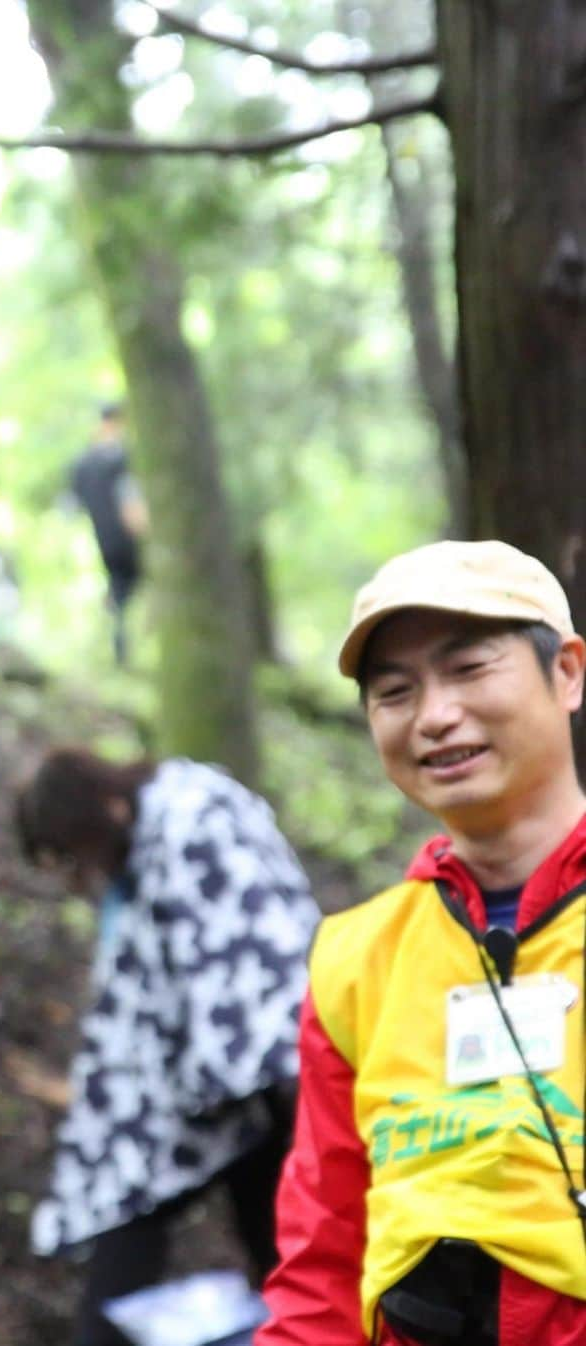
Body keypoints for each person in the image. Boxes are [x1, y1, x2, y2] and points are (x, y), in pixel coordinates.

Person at [257, 540, 586, 1346]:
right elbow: (322, 1256)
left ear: (568, 672)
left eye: (470, 669)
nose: (435, 715)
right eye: (394, 692)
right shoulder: (356, 957)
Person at [16, 748, 320, 1346]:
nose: (84, 874)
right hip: (200, 1090)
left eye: (77, 855)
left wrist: (266, 1083)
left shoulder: (193, 820)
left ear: (106, 808)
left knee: (282, 1247)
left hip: (266, 1084)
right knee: (262, 1241)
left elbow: (249, 964)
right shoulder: (151, 838)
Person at [69, 402, 147, 666]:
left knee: (118, 593)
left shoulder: (83, 462)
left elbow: (73, 504)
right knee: (130, 590)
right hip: (126, 538)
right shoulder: (120, 458)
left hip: (103, 539)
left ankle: (117, 651)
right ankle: (125, 652)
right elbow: (130, 498)